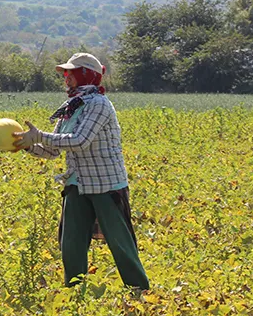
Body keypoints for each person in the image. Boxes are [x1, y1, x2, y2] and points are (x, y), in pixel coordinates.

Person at [12, 53, 150, 290]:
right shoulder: (71, 107)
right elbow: (53, 151)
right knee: (71, 242)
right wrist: (27, 146)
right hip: (76, 183)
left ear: (86, 75)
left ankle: (139, 289)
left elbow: (80, 140)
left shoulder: (99, 105)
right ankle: (74, 290)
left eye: (71, 73)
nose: (66, 78)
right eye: (65, 73)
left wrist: (40, 135)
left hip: (105, 184)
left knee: (120, 242)